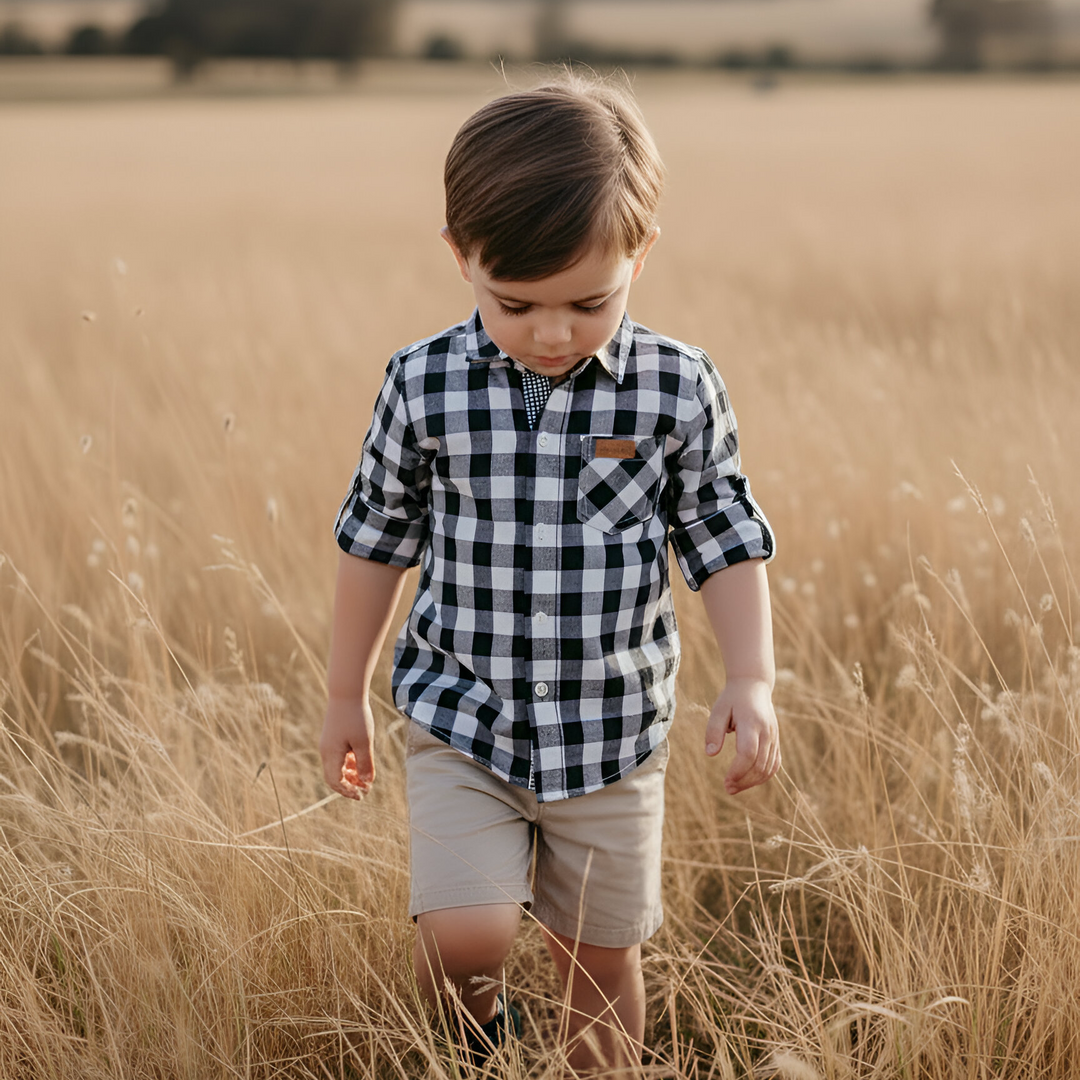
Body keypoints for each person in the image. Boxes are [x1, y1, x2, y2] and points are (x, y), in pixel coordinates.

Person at [319, 71, 780, 1071]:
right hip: (461, 722)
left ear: (641, 255)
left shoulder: (676, 389)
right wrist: (344, 692)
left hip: (611, 741)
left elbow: (724, 539)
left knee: (599, 956)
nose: (554, 332)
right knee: (464, 937)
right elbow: (375, 541)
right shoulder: (423, 382)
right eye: (515, 303)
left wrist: (750, 677)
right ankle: (478, 1040)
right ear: (461, 259)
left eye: (588, 301)